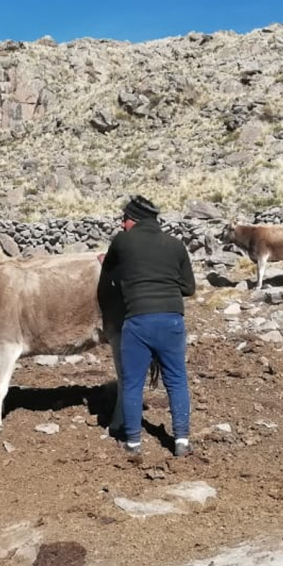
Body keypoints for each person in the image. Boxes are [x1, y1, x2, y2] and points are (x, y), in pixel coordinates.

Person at [99, 195, 196, 458]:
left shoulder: (122, 241)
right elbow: (189, 288)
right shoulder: (175, 244)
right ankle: (182, 441)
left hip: (138, 321)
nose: (122, 225)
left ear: (134, 220)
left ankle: (133, 443)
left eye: (124, 219)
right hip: (172, 321)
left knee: (133, 383)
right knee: (176, 381)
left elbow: (108, 273)